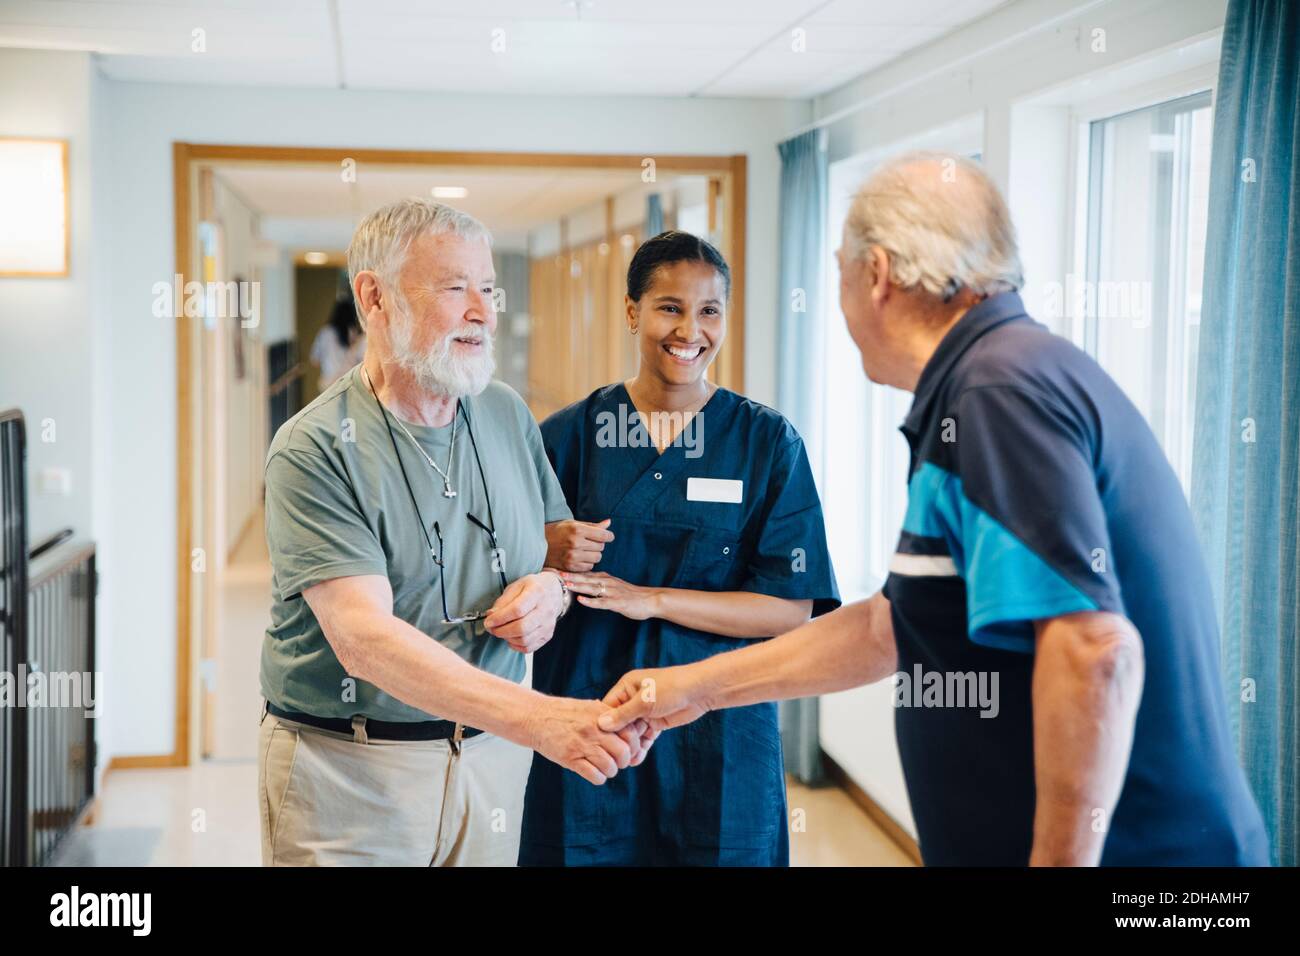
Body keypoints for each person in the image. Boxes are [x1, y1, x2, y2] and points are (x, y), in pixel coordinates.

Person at [597, 154, 1271, 867]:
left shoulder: (995, 393)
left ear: (878, 274)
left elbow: (1098, 652)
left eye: (839, 271)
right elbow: (893, 625)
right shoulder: (991, 381)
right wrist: (693, 688)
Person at [258, 199, 653, 867]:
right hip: (353, 771)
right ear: (374, 298)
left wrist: (550, 592)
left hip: (491, 761)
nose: (484, 311)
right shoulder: (315, 447)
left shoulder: (505, 413)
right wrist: (543, 718)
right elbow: (364, 642)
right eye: (455, 287)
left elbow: (554, 556)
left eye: (489, 288)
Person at [519, 231, 840, 866]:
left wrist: (652, 599)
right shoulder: (569, 437)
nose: (689, 329)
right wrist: (546, 551)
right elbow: (504, 576)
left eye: (709, 310)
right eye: (669, 307)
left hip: (719, 727)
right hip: (593, 718)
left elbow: (790, 609)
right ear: (633, 312)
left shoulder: (766, 444)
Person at [309, 294, 367, 392]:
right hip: (349, 384)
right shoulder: (356, 335)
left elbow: (314, 361)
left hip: (328, 385)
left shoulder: (325, 333)